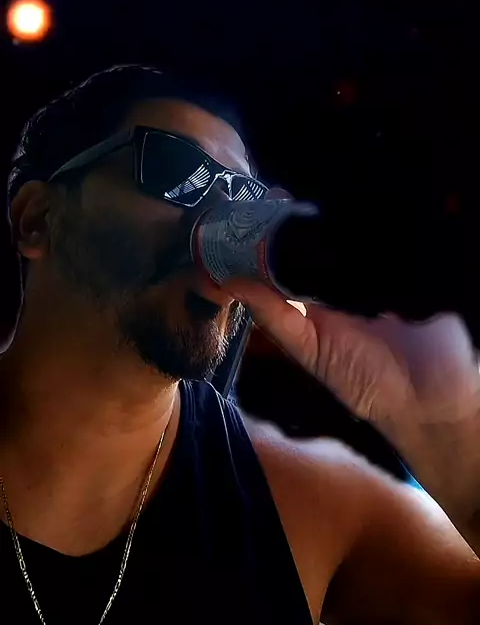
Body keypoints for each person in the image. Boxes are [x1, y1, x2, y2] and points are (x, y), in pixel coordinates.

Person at [1, 63, 479, 625]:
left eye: (242, 196)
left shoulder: (310, 503)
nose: (215, 216)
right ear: (37, 220)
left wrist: (449, 435)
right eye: (178, 170)